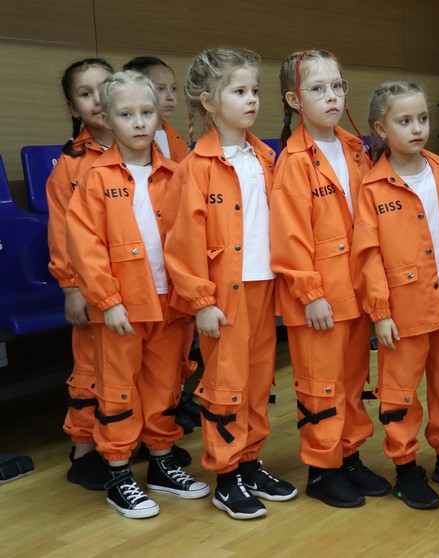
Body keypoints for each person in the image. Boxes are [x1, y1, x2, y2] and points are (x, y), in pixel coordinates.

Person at [66, 70, 210, 518]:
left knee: (165, 386)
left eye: (146, 112)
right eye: (126, 114)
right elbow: (86, 248)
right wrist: (107, 302)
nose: (139, 122)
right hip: (122, 309)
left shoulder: (177, 174)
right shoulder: (94, 178)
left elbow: (192, 239)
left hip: (170, 304)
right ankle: (118, 473)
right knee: (119, 391)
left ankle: (162, 463)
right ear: (108, 120)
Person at [164, 47, 297, 520]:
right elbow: (182, 244)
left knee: (259, 381)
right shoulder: (195, 167)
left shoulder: (265, 156)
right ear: (208, 101)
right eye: (239, 91)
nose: (251, 99)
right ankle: (226, 475)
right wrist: (202, 301)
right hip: (224, 296)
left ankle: (249, 461)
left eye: (254, 90)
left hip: (264, 288)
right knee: (225, 384)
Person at [350, 80, 439, 510]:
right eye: (404, 120)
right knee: (400, 393)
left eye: (422, 118)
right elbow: (367, 255)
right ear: (381, 129)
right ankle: (406, 468)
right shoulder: (374, 188)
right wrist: (380, 313)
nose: (416, 128)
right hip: (402, 314)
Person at [271, 49, 388, 508]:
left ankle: (348, 455)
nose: (332, 96)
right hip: (318, 298)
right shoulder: (294, 160)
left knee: (353, 378)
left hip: (356, 290)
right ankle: (323, 468)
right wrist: (310, 293)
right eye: (318, 89)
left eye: (337, 86)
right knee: (320, 383)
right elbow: (289, 238)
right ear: (295, 100)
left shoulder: (356, 149)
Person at [46, 58, 115, 490]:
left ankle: (128, 440)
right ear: (74, 108)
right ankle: (84, 449)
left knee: (136, 366)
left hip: (138, 282)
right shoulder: (70, 164)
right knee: (91, 366)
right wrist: (71, 287)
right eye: (86, 94)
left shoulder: (148, 146)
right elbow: (62, 232)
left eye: (104, 88)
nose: (98, 100)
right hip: (91, 286)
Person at [123, 55, 200, 435]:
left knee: (173, 351)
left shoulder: (175, 140)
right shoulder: (119, 155)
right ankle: (133, 433)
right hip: (137, 273)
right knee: (134, 363)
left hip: (171, 268)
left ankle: (172, 405)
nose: (168, 96)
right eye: (159, 89)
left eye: (173, 89)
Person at [122, 56, 190, 163]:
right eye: (160, 89)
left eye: (173, 88)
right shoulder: (130, 138)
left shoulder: (177, 138)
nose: (170, 97)